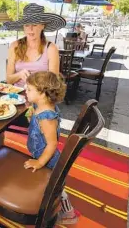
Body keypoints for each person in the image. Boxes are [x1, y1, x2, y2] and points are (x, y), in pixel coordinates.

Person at [24, 71, 79, 225]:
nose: (25, 91)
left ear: (42, 94)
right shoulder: (41, 105)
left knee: (58, 189)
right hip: (41, 155)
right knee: (55, 188)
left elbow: (52, 144)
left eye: (29, 89)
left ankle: (69, 215)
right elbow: (35, 116)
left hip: (48, 161)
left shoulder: (47, 117)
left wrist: (40, 163)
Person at [5, 3, 66, 88]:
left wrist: (35, 81)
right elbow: (8, 80)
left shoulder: (51, 48)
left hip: (41, 98)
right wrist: (19, 75)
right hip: (17, 98)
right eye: (27, 25)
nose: (30, 29)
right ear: (23, 27)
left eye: (34, 25)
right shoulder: (14, 46)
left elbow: (54, 82)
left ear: (42, 26)